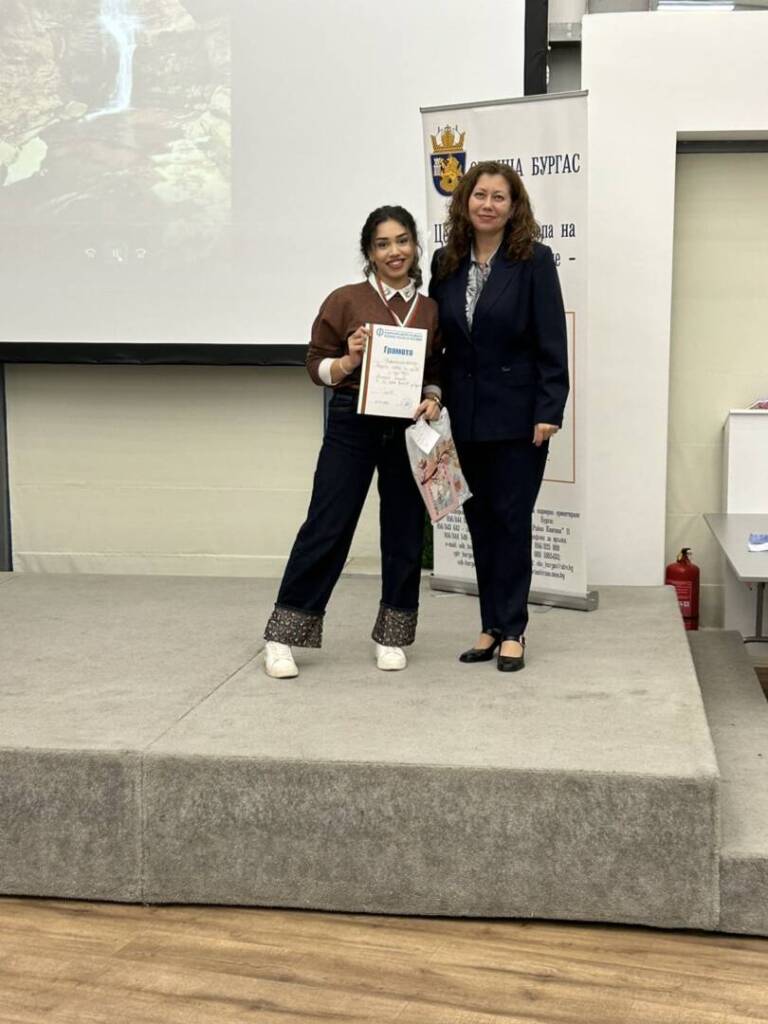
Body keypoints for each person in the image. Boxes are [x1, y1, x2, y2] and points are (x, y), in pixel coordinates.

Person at [263, 206, 442, 679]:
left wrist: (433, 398)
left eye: (402, 241)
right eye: (383, 244)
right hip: (351, 423)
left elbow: (434, 371)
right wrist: (347, 360)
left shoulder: (428, 309)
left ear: (414, 246)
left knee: (404, 531)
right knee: (328, 525)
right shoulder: (345, 300)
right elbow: (315, 366)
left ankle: (392, 635)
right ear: (369, 252)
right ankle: (282, 636)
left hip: (407, 428)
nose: (394, 251)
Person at [429, 161, 569, 672]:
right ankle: (489, 625)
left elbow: (552, 340)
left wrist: (549, 409)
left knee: (511, 522)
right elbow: (440, 342)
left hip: (518, 418)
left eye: (499, 197)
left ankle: (513, 630)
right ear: (465, 200)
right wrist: (433, 394)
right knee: (480, 523)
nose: (487, 205)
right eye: (480, 195)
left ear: (514, 207)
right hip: (464, 418)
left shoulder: (534, 260)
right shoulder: (446, 261)